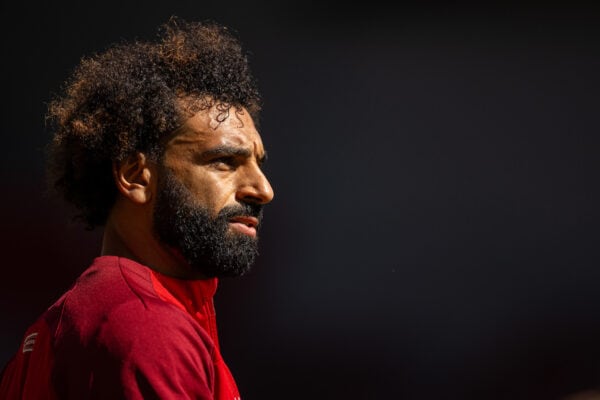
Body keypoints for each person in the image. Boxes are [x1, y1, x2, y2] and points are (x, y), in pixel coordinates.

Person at [0, 17, 273, 400]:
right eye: (224, 162)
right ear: (135, 176)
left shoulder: (77, 320)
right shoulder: (143, 325)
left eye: (259, 163)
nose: (263, 189)